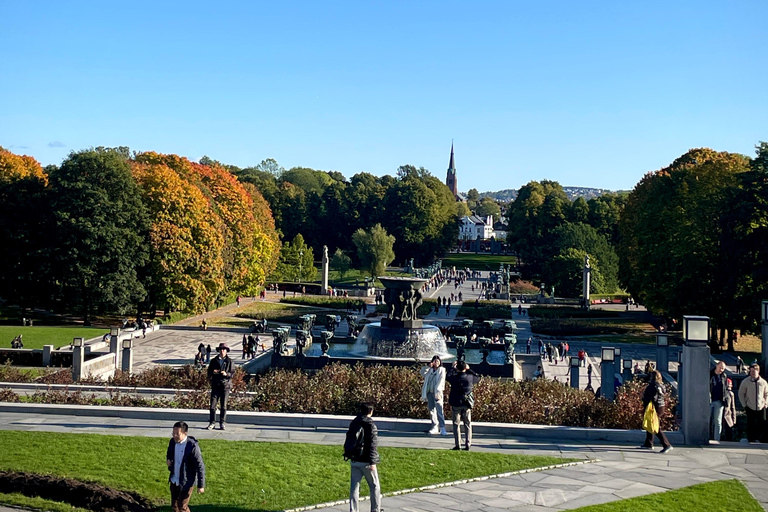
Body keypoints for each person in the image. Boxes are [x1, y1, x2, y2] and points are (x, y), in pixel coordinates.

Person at [347, 402, 381, 512]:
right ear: (370, 411)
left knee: (354, 488)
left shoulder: (354, 422)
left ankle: (353, 510)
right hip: (366, 461)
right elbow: (372, 444)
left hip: (354, 458)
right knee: (374, 486)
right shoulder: (371, 425)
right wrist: (372, 462)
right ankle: (375, 509)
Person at [166, 421, 205, 512]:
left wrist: (201, 485)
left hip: (186, 481)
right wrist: (168, 459)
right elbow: (169, 452)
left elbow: (200, 466)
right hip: (174, 479)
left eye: (177, 434)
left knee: (182, 506)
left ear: (185, 433)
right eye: (173, 433)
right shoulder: (172, 442)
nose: (174, 436)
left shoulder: (192, 446)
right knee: (174, 506)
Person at [446, 360, 479, 451]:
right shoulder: (470, 377)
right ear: (465, 368)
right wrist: (469, 369)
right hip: (467, 403)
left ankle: (458, 444)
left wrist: (452, 368)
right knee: (467, 424)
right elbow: (477, 377)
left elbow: (448, 377)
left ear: (457, 368)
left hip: (456, 403)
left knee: (456, 424)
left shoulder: (454, 378)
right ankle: (468, 443)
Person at [640, 370, 673, 453]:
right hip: (661, 406)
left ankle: (667, 444)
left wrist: (644, 400)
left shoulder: (652, 386)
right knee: (651, 423)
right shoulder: (662, 385)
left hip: (654, 407)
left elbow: (651, 397)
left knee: (655, 426)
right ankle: (648, 443)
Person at [738, 362, 768, 443]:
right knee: (751, 424)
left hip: (761, 406)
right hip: (750, 406)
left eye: (754, 371)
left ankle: (762, 440)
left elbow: (766, 393)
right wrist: (744, 404)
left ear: (758, 371)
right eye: (751, 371)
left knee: (763, 424)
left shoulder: (763, 382)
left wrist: (766, 403)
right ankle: (751, 439)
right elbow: (741, 393)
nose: (752, 373)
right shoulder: (745, 382)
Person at [206, 343, 233, 430]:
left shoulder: (230, 361)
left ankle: (222, 423)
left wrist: (226, 374)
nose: (222, 351)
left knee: (223, 406)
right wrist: (213, 372)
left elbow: (232, 373)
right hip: (216, 385)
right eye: (221, 349)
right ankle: (212, 422)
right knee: (212, 406)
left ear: (226, 351)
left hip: (225, 386)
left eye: (224, 350)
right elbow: (209, 371)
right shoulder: (214, 361)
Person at [420, 355, 447, 436]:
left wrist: (438, 392)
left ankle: (442, 427)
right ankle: (434, 426)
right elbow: (422, 373)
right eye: (435, 361)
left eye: (438, 361)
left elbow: (441, 381)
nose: (436, 362)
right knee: (431, 410)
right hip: (429, 392)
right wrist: (428, 367)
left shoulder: (442, 370)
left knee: (439, 410)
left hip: (437, 393)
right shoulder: (429, 370)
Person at [710, 361, 728, 443]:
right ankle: (707, 436)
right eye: (720, 367)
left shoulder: (724, 376)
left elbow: (725, 388)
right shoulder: (710, 374)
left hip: (719, 401)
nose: (721, 370)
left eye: (723, 368)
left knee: (718, 421)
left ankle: (717, 439)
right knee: (707, 419)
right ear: (717, 366)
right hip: (709, 400)